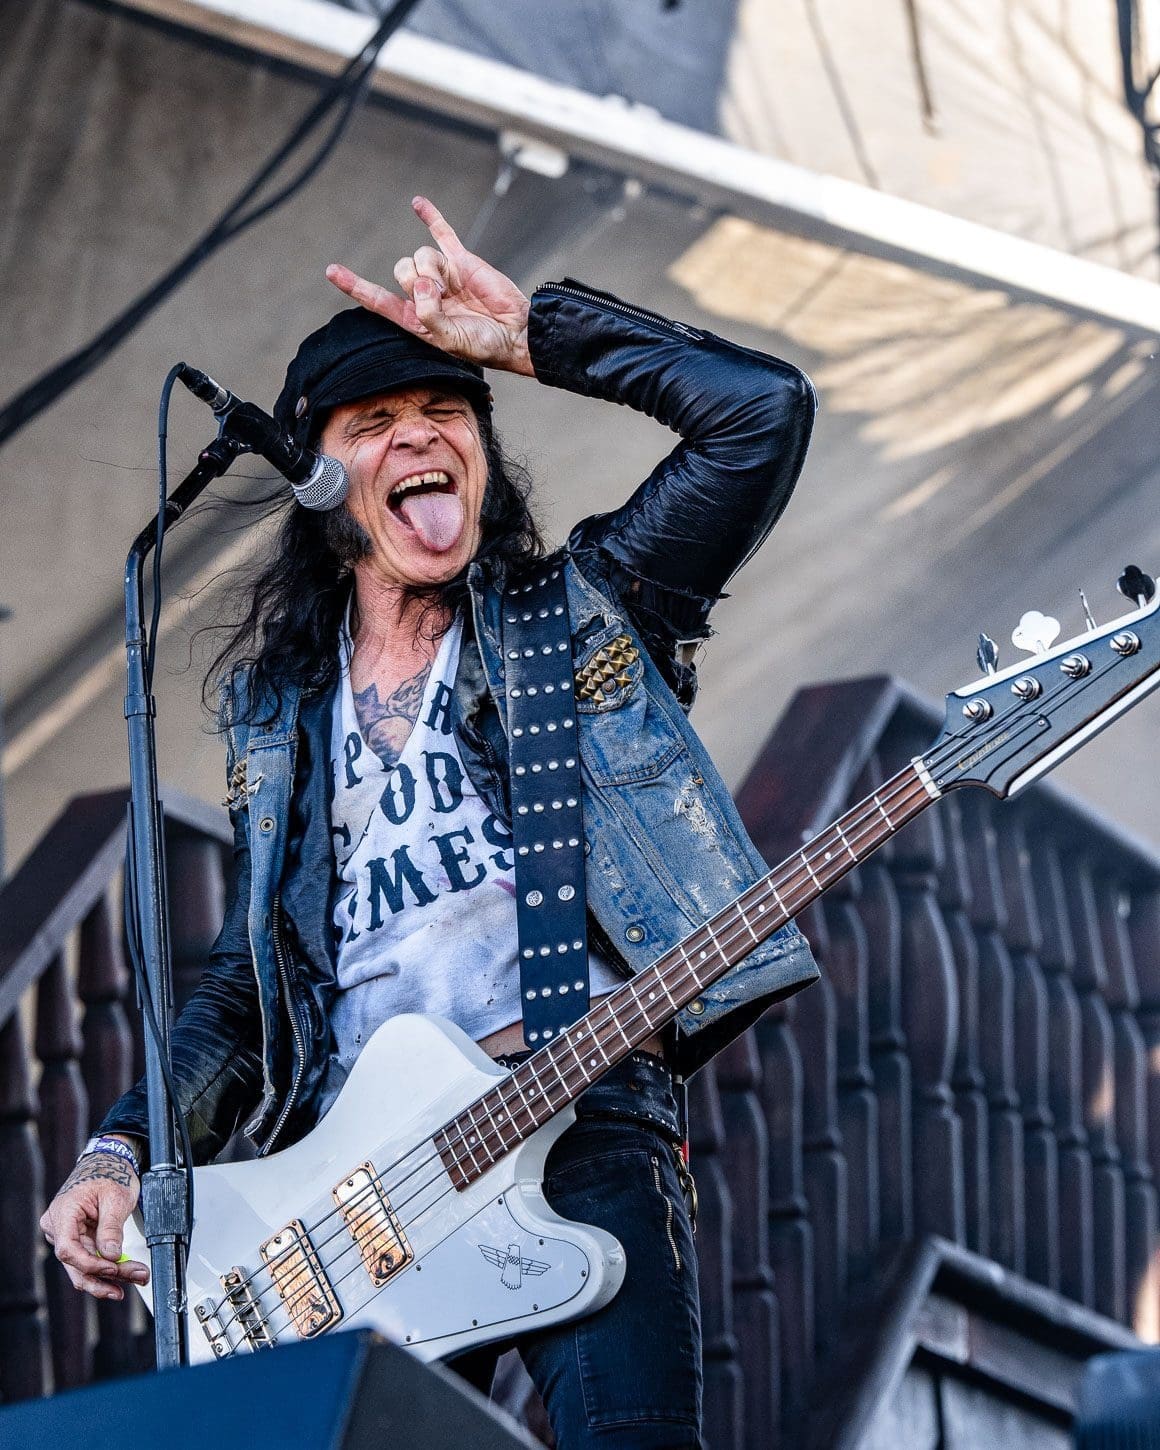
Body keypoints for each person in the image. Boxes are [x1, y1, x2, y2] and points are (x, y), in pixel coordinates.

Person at [41, 196, 819, 1448]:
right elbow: (250, 978)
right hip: (358, 1185)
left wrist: (534, 336)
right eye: (373, 422)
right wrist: (123, 1145)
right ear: (319, 478)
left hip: (573, 1114)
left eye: (443, 410)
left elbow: (759, 416)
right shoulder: (282, 713)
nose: (418, 434)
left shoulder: (577, 613)